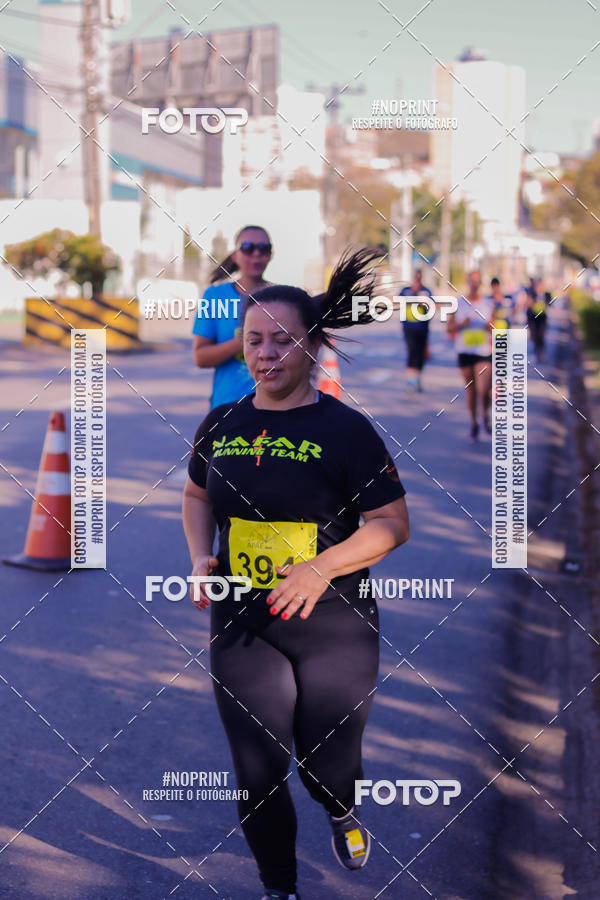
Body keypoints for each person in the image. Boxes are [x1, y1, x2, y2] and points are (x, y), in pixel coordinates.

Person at [183, 248, 410, 900]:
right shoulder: (222, 423)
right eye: (254, 340)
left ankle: (341, 807)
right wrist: (199, 556)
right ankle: (279, 887)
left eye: (283, 340)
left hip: (334, 624)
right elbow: (196, 496)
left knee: (325, 765)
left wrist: (319, 569)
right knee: (258, 771)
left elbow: (391, 525)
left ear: (312, 345)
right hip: (244, 622)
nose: (267, 354)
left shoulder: (347, 430)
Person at [192, 225, 273, 408]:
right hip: (227, 407)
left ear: (271, 254)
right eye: (248, 248)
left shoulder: (280, 299)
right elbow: (200, 357)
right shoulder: (214, 296)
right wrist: (243, 341)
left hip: (273, 408)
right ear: (235, 255)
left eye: (264, 248)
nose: (256, 254)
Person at [447, 270, 495, 442]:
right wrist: (462, 324)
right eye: (472, 281)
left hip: (483, 351)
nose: (474, 284)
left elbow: (495, 327)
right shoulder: (459, 303)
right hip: (464, 350)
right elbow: (449, 328)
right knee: (471, 391)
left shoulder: (488, 303)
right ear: (468, 282)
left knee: (483, 389)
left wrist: (488, 326)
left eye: (477, 281)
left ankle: (485, 414)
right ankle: (474, 423)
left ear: (480, 283)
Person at [400, 268, 433, 391]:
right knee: (411, 352)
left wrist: (426, 304)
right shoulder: (406, 291)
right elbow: (397, 303)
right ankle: (410, 382)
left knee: (420, 354)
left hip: (422, 328)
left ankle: (418, 378)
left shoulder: (426, 291)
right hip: (409, 328)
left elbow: (434, 306)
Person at [526, 277, 549, 362]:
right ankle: (535, 352)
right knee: (534, 335)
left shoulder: (546, 294)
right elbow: (528, 303)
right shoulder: (532, 293)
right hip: (533, 318)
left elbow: (549, 303)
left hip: (542, 318)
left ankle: (541, 352)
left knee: (541, 335)